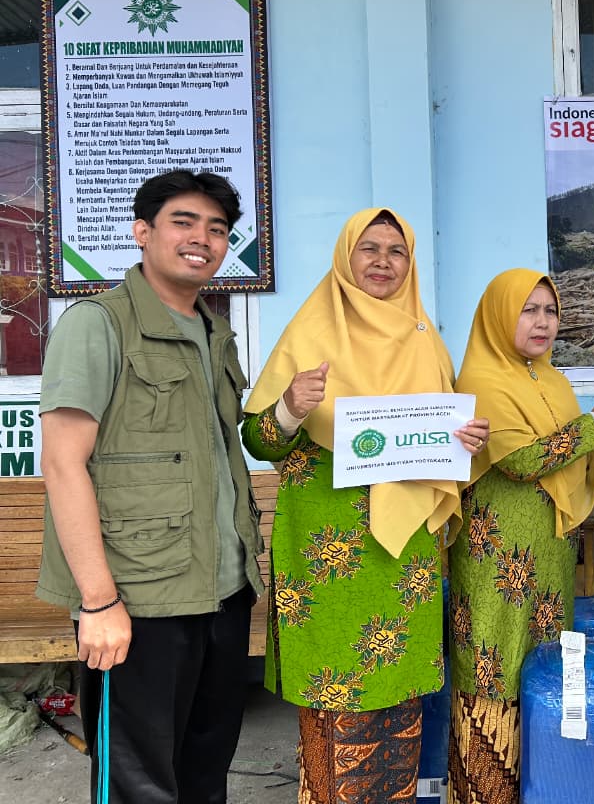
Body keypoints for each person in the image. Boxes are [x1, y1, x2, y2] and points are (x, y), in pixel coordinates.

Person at [242, 208, 489, 804]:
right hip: (329, 554)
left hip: (403, 556)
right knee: (335, 706)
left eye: (396, 251)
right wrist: (290, 408)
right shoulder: (310, 333)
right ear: (346, 256)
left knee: (400, 704)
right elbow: (257, 440)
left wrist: (465, 441)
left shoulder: (424, 339)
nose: (383, 261)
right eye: (370, 248)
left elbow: (443, 434)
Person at [37, 169, 264, 803]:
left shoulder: (214, 332)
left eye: (216, 229)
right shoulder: (99, 323)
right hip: (138, 599)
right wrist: (98, 602)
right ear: (142, 232)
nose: (202, 239)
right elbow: (63, 464)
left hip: (223, 591)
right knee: (139, 784)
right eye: (183, 222)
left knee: (205, 772)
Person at [447, 268, 594, 804]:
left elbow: (574, 462)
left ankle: (539, 789)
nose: (542, 322)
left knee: (544, 678)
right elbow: (523, 460)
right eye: (528, 310)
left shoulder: (552, 381)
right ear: (500, 316)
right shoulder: (481, 380)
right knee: (493, 677)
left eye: (550, 311)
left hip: (548, 559)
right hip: (498, 564)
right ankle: (482, 794)